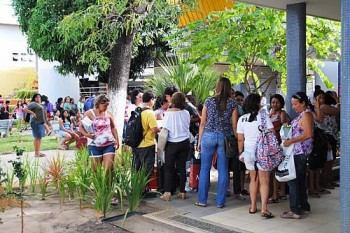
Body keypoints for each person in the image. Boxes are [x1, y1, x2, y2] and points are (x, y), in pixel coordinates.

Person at [195, 77, 238, 208]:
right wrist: (238, 142)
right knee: (223, 169)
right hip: (224, 137)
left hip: (208, 135)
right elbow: (235, 126)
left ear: (217, 87)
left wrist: (199, 141)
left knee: (204, 168)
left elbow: (202, 122)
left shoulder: (208, 101)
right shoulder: (232, 104)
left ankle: (202, 200)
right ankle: (220, 202)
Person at [237, 93, 275, 218]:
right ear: (257, 104)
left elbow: (240, 139)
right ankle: (264, 208)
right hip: (263, 152)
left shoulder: (242, 119)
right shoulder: (264, 117)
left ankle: (253, 206)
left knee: (253, 179)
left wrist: (240, 153)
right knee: (264, 180)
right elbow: (272, 133)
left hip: (248, 153)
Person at [281, 91, 313, 219]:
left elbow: (308, 134)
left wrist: (290, 141)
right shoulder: (304, 115)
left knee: (293, 181)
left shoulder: (306, 115)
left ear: (303, 103)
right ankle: (303, 206)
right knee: (299, 180)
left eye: (295, 104)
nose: (293, 107)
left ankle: (294, 210)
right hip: (299, 152)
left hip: (299, 152)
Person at [160, 92, 191, 201]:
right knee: (182, 168)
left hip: (172, 143)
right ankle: (182, 191)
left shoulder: (168, 114)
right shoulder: (186, 113)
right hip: (185, 142)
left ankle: (167, 193)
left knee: (169, 168)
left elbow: (164, 128)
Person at [79, 94, 119, 172]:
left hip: (109, 144)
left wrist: (116, 139)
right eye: (104, 106)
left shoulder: (109, 113)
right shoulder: (89, 113)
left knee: (109, 170)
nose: (106, 108)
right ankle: (98, 184)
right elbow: (81, 127)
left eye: (107, 106)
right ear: (98, 104)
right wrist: (87, 135)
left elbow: (113, 127)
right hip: (94, 145)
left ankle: (108, 184)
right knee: (96, 172)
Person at [132, 91, 159, 178]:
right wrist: (161, 129)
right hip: (147, 144)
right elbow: (154, 129)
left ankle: (137, 189)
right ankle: (144, 189)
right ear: (151, 100)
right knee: (147, 170)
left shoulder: (137, 110)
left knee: (137, 169)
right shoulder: (150, 113)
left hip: (136, 144)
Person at [268, 94, 289, 203]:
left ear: (281, 103)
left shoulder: (282, 113)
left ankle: (278, 194)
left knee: (277, 170)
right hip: (271, 144)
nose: (274, 104)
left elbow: (285, 128)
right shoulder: (270, 114)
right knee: (275, 170)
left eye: (276, 102)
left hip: (279, 144)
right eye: (272, 102)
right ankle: (278, 192)